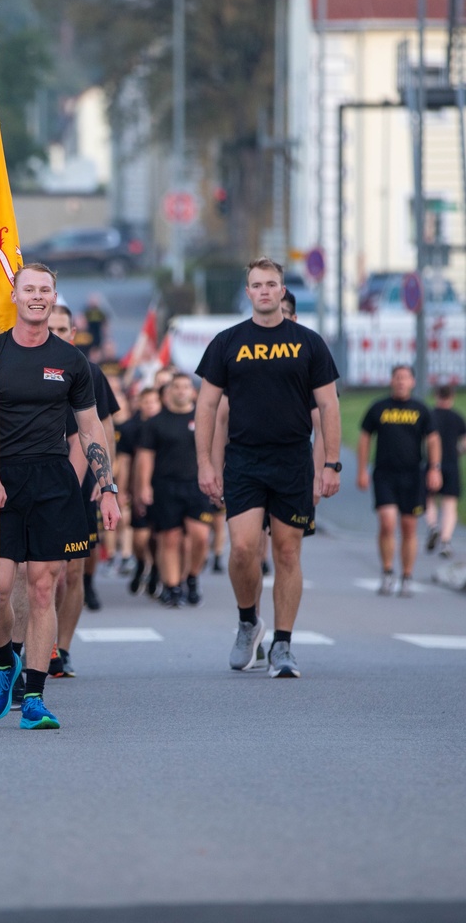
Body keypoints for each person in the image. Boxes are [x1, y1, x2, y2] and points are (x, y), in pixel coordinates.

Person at [0, 263, 121, 730]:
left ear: (54, 296)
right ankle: (4, 662)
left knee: (42, 589)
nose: (37, 296)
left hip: (53, 480)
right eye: (28, 289)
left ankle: (33, 696)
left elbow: (90, 426)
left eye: (45, 290)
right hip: (1, 479)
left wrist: (107, 486)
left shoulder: (72, 361)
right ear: (14, 295)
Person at [195, 257, 341, 679]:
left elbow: (328, 405)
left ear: (282, 291)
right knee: (242, 550)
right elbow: (207, 405)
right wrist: (206, 462)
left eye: (271, 284)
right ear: (248, 292)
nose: (263, 290)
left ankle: (283, 645)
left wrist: (330, 463)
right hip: (243, 458)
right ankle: (247, 621)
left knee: (287, 551)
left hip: (293, 458)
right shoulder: (227, 342)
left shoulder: (309, 342)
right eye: (256, 284)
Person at [47, 303, 120, 674]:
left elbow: (104, 429)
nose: (56, 334)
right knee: (47, 572)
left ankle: (62, 647)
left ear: (73, 334)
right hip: (40, 476)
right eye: (51, 327)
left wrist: (108, 482)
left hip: (82, 482)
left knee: (72, 572)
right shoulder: (28, 366)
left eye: (63, 329)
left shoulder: (89, 372)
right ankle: (38, 644)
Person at [357, 365, 442, 597]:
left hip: (413, 474)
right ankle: (387, 572)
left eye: (405, 378)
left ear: (413, 382)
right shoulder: (379, 407)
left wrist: (435, 468)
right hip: (384, 474)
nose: (401, 381)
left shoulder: (421, 409)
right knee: (387, 522)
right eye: (397, 377)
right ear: (391, 380)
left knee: (409, 526)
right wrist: (362, 470)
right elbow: (364, 438)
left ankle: (406, 575)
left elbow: (433, 440)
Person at [136, 373, 214, 608]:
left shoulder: (203, 420)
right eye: (176, 387)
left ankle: (191, 577)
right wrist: (144, 486)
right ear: (168, 392)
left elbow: (216, 451)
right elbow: (145, 456)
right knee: (169, 539)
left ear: (192, 391)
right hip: (165, 486)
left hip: (197, 485)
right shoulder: (155, 422)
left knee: (199, 537)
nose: (181, 391)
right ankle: (172, 587)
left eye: (185, 387)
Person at [115, 387, 162, 597]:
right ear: (139, 403)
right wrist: (122, 490)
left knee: (158, 536)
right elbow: (124, 462)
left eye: (154, 402)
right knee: (140, 538)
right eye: (146, 401)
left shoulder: (164, 424)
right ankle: (142, 563)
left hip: (162, 487)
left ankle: (157, 573)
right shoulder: (130, 428)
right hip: (137, 487)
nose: (150, 406)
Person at [425, 384, 465, 560]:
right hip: (451, 463)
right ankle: (446, 541)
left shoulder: (430, 416)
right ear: (452, 397)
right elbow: (464, 444)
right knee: (450, 504)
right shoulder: (457, 417)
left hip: (432, 464)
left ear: (437, 395)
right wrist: (457, 451)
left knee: (430, 499)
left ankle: (433, 526)